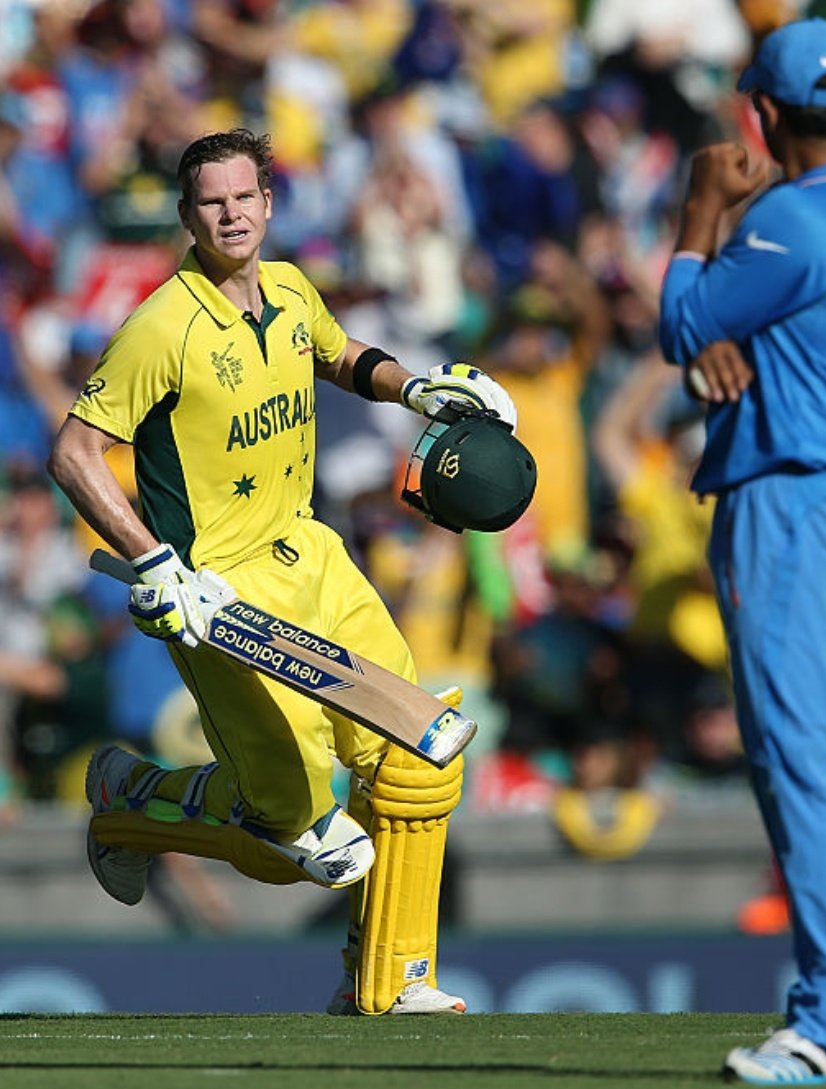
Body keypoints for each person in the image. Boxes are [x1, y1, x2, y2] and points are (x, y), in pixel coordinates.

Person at [47, 128, 518, 1016]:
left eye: (244, 197)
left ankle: (388, 982)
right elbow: (75, 451)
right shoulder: (162, 326)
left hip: (312, 554)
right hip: (216, 595)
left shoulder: (293, 287)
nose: (230, 214)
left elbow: (337, 354)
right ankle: (128, 799)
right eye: (211, 202)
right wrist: (153, 561)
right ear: (188, 217)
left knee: (416, 760)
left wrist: (418, 390)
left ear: (268, 203)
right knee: (293, 836)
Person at [658, 19, 826, 1085]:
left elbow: (679, 319)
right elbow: (722, 322)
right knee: (825, 768)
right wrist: (729, 314)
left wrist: (703, 208)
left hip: (787, 505)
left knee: (802, 768)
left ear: (762, 113)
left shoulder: (791, 222)